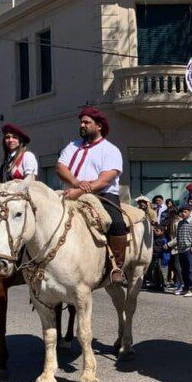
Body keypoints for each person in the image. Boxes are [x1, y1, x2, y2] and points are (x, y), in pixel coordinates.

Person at [56, 106, 128, 283]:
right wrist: (76, 183)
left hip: (103, 196)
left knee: (116, 222)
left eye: (87, 122)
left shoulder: (110, 150)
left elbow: (104, 181)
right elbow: (60, 167)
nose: (82, 125)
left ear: (99, 126)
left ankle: (116, 267)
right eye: (81, 122)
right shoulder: (72, 146)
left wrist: (79, 191)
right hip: (71, 191)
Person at [175, 205, 192, 297]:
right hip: (180, 249)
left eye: (185, 212)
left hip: (189, 249)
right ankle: (186, 288)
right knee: (183, 270)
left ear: (189, 212)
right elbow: (178, 236)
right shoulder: (180, 223)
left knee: (191, 269)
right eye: (181, 212)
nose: (183, 214)